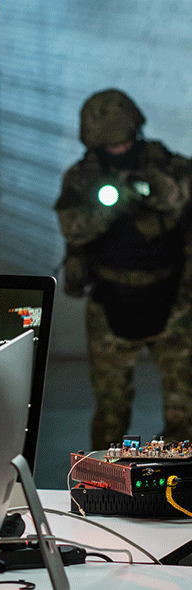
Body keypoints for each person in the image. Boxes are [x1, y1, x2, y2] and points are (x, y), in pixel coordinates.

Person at [54, 88, 192, 450]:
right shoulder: (82, 178)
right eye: (108, 147)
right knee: (110, 412)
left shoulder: (171, 168)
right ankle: (104, 486)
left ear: (136, 133)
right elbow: (72, 228)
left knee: (185, 413)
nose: (118, 151)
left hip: (174, 302)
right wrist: (108, 203)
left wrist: (149, 189)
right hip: (109, 301)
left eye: (124, 143)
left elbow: (183, 202)